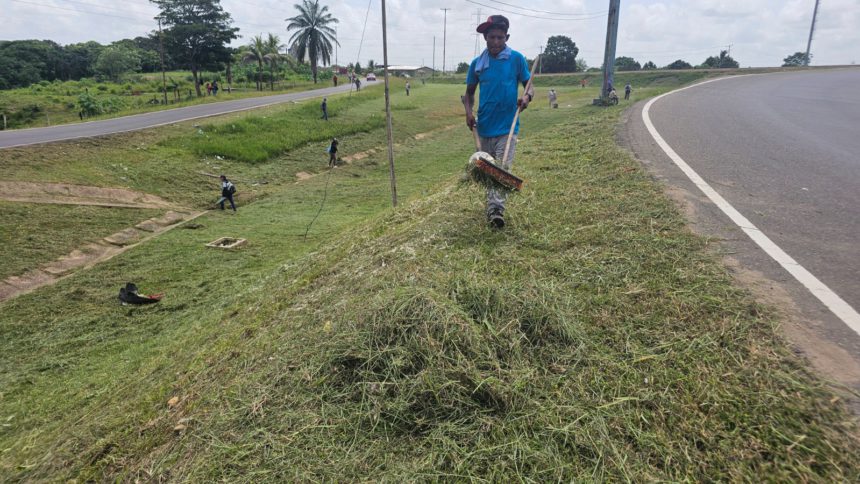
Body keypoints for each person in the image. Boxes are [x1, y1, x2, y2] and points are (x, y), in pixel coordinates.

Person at [464, 14, 533, 229]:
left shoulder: (516, 59)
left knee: (501, 169)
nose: (495, 42)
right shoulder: (477, 64)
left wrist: (527, 98)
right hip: (484, 126)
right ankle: (492, 203)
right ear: (485, 37)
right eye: (491, 37)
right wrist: (468, 113)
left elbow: (529, 85)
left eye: (500, 38)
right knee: (487, 169)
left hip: (507, 126)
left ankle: (496, 210)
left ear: (507, 37)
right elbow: (469, 93)